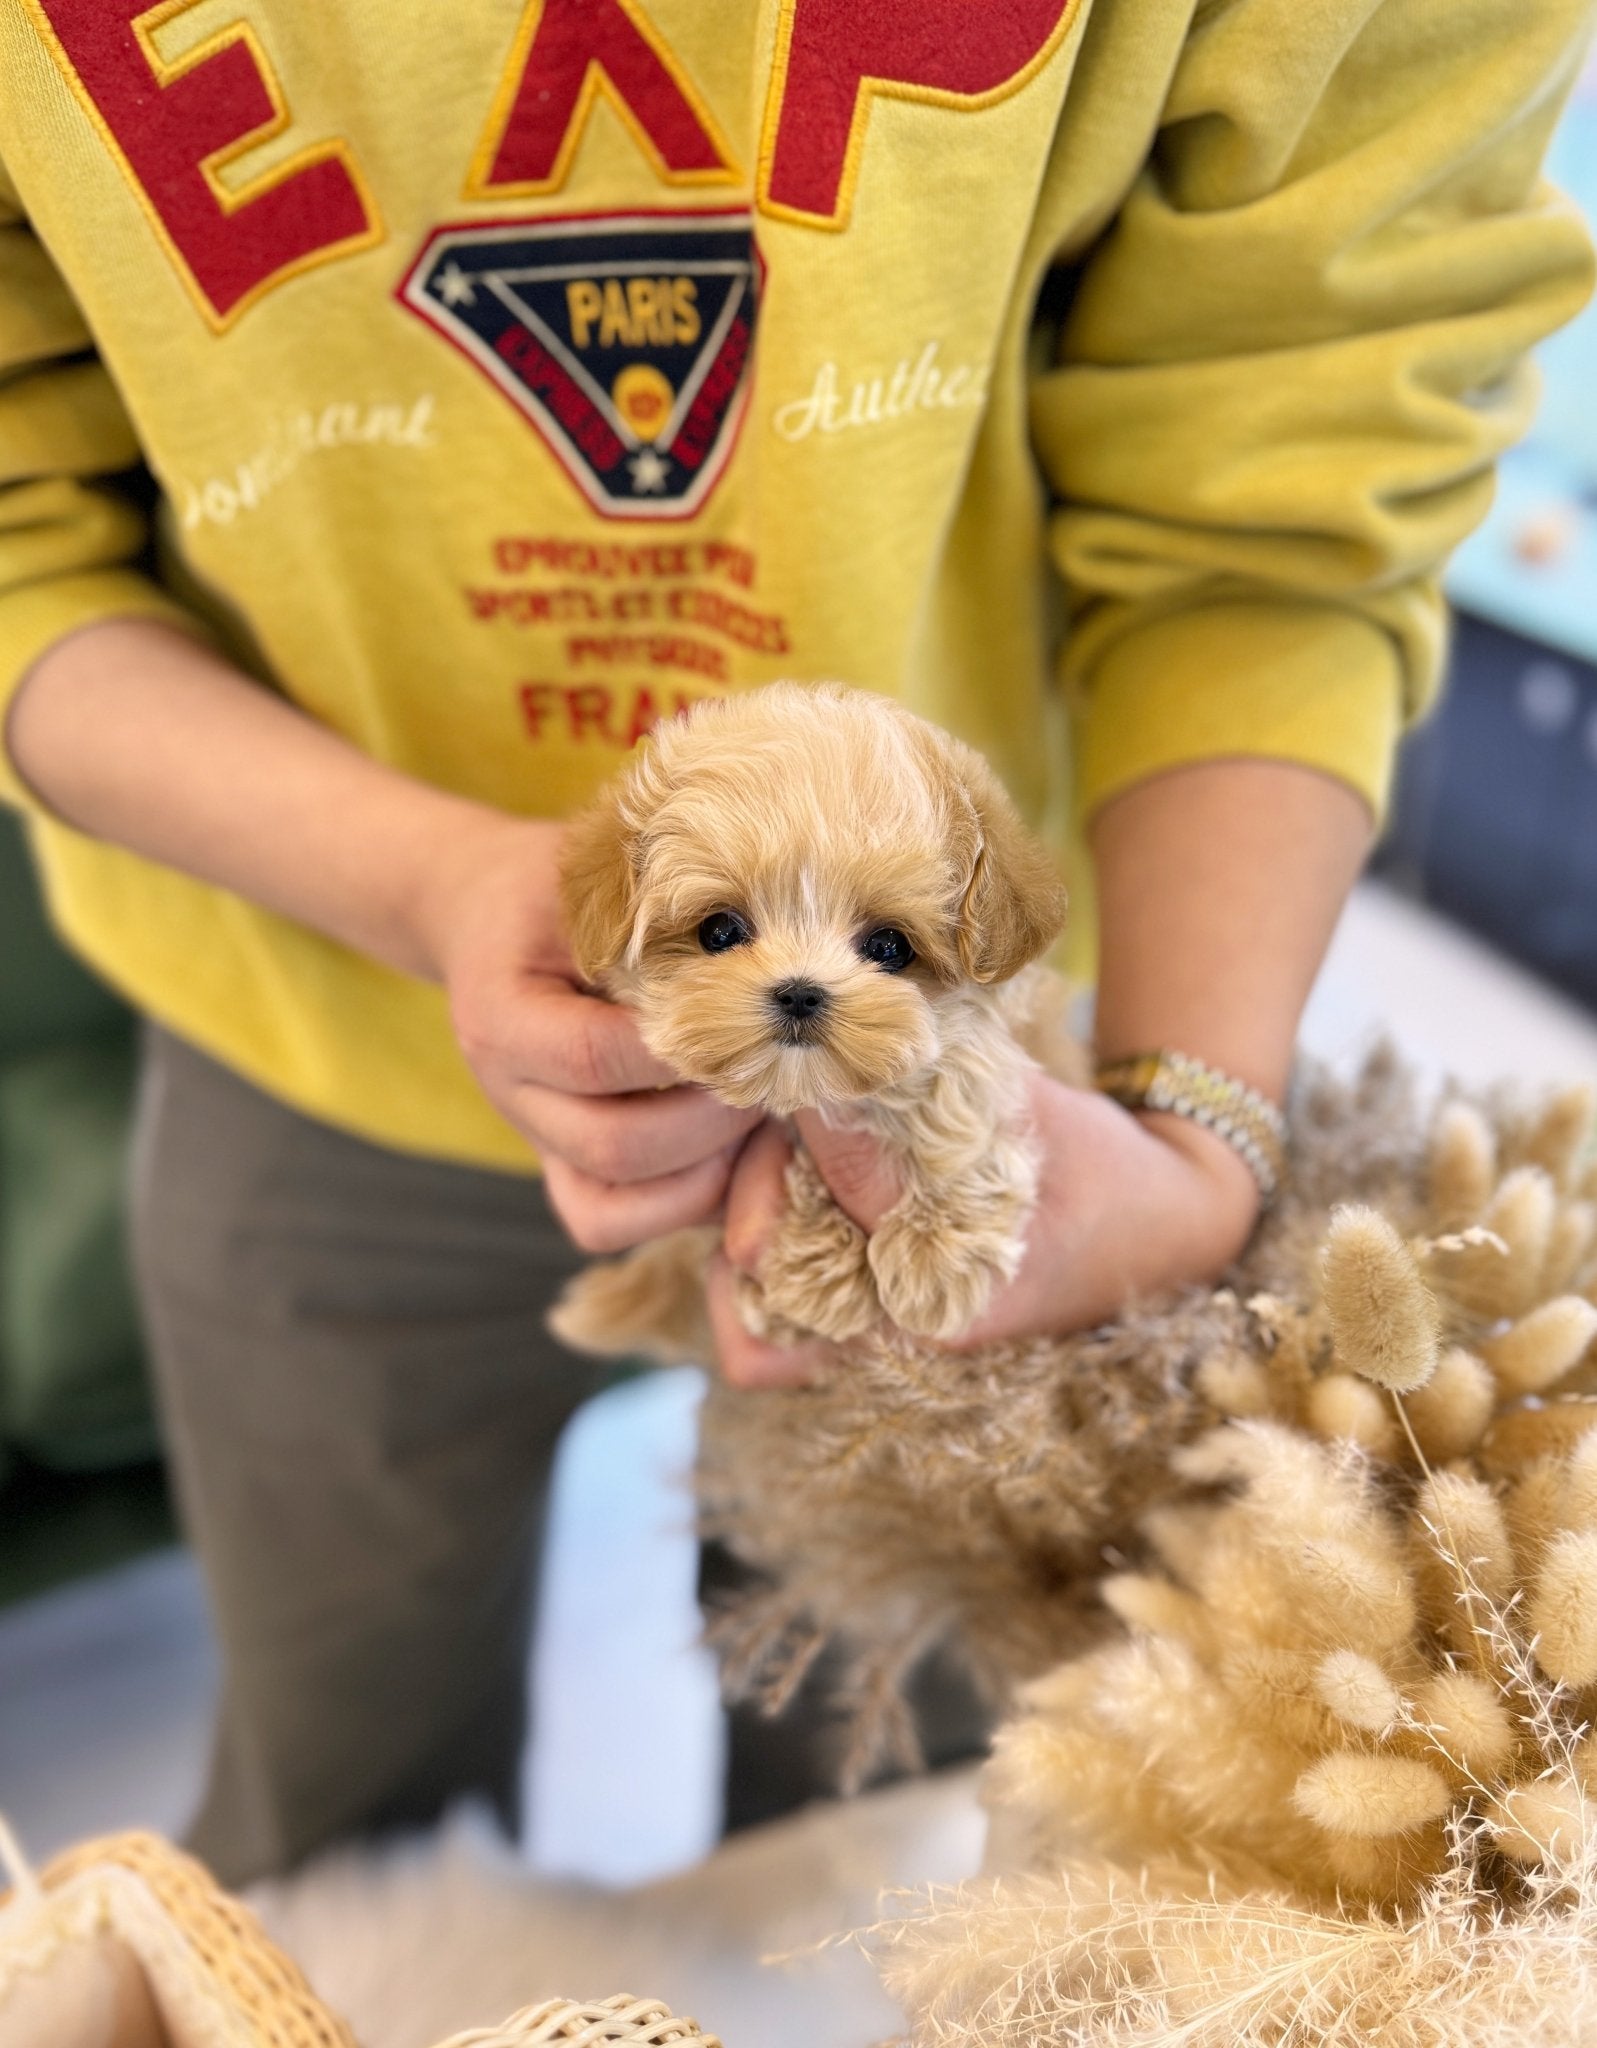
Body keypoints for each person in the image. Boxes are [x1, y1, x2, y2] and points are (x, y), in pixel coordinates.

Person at [0, 0, 1591, 1883]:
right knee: (331, 1828)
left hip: (1000, 1111)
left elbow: (1292, 490)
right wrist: (419, 881)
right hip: (298, 1025)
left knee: (892, 1808)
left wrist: (1188, 1126)